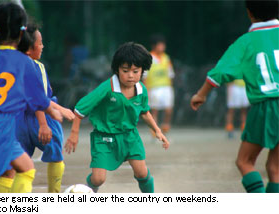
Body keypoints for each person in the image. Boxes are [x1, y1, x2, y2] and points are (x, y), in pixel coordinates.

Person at [190, 0, 279, 193]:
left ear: (249, 13)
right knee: (275, 169)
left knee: (245, 161)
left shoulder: (245, 42)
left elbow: (220, 72)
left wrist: (201, 95)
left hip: (267, 105)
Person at [0, 2, 63, 193]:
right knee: (14, 172)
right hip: (0, 126)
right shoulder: (24, 62)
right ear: (22, 33)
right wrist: (52, 111)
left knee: (6, 172)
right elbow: (38, 98)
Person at [65, 42, 170, 193]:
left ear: (142, 71)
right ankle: (88, 192)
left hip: (130, 137)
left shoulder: (141, 90)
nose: (130, 75)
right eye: (125, 71)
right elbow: (80, 109)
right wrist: (74, 134)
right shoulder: (107, 88)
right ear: (117, 69)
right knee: (98, 179)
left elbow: (145, 112)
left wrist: (157, 130)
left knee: (142, 173)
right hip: (104, 138)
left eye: (135, 71)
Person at [0, 23, 75, 193]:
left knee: (13, 167)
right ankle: (54, 195)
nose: (43, 47)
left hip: (15, 120)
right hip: (41, 119)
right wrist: (44, 123)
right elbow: (38, 99)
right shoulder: (36, 67)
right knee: (56, 158)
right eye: (40, 43)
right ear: (30, 49)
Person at [143, 34, 175, 134]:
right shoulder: (148, 58)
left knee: (168, 109)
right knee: (155, 110)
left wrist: (171, 87)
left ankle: (165, 127)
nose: (162, 47)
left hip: (166, 87)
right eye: (160, 45)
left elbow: (170, 74)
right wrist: (146, 89)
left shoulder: (166, 58)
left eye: (163, 45)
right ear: (154, 46)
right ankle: (155, 131)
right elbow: (145, 75)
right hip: (154, 88)